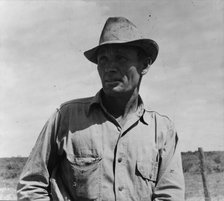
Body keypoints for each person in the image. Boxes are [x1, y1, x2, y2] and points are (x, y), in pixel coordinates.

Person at [17, 17, 185, 201]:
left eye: (120, 58)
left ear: (144, 65)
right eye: (103, 59)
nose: (109, 67)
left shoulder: (162, 130)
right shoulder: (67, 117)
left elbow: (170, 196)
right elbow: (31, 185)